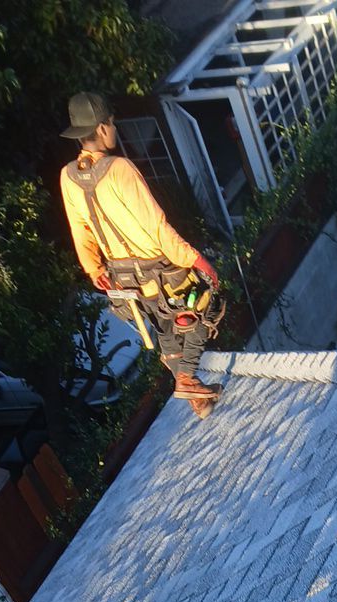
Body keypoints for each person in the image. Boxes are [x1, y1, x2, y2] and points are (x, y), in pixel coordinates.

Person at [59, 92, 222, 419]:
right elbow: (156, 226)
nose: (114, 128)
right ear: (102, 128)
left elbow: (80, 231)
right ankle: (187, 378)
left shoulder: (68, 175)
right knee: (206, 305)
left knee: (164, 327)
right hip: (156, 269)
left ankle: (197, 400)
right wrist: (196, 260)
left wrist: (94, 270)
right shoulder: (119, 168)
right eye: (112, 123)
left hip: (120, 278)